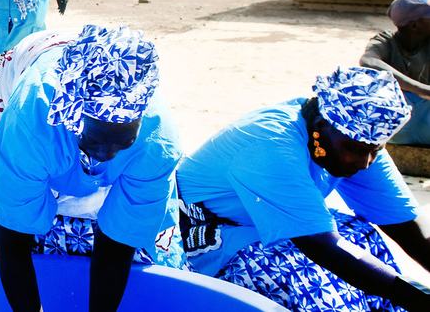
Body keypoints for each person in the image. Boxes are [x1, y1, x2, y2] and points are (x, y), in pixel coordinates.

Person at [177, 67, 430, 311]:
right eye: (357, 150)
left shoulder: (356, 137)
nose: (365, 163)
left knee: (362, 237)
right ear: (320, 126)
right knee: (304, 274)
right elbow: (321, 246)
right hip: (215, 239)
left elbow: (407, 228)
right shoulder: (271, 143)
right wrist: (417, 299)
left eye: (375, 150)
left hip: (272, 225)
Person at [0, 25, 185, 312]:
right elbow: (12, 235)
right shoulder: (31, 120)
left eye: (123, 143)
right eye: (96, 141)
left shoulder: (156, 141)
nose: (107, 155)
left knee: (138, 239)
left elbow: (120, 241)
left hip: (93, 103)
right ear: (73, 114)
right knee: (21, 210)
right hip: (35, 61)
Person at [361, 0, 430, 146]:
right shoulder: (386, 41)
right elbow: (368, 61)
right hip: (399, 118)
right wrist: (422, 90)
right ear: (414, 25)